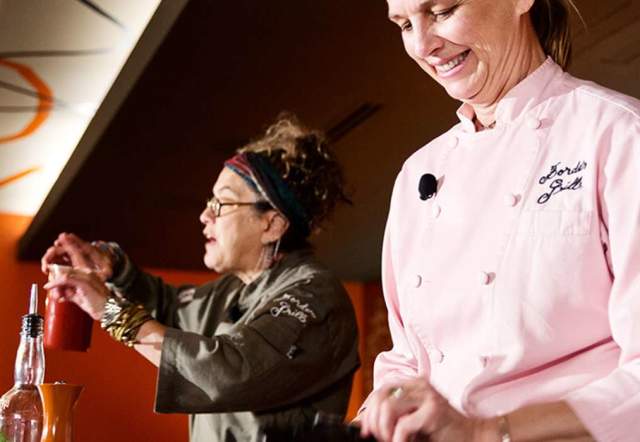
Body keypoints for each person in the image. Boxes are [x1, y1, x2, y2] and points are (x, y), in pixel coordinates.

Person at [358, 0, 640, 441]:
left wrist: (485, 432)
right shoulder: (417, 173)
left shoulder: (618, 134)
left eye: (443, 11)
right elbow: (409, 359)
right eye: (404, 25)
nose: (422, 44)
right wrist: (387, 408)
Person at [42, 116, 360, 442]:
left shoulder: (315, 296)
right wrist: (113, 269)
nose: (205, 215)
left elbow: (231, 373)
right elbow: (169, 310)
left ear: (272, 225)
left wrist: (111, 311)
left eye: (221, 203)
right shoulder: (233, 289)